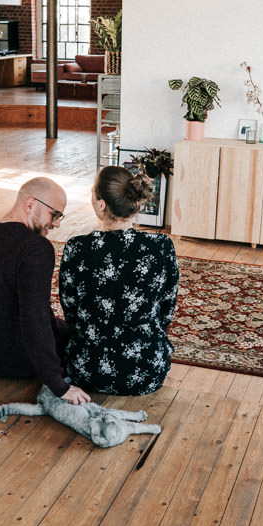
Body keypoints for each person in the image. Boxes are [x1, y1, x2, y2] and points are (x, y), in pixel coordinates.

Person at [0, 177, 91, 405]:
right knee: (83, 333)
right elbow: (35, 319)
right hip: (19, 359)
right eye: (55, 215)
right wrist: (59, 386)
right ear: (30, 204)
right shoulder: (35, 249)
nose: (57, 224)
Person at [58, 165, 180, 396]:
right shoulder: (162, 247)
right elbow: (167, 309)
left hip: (88, 370)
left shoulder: (77, 248)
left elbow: (70, 310)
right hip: (147, 369)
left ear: (101, 204)